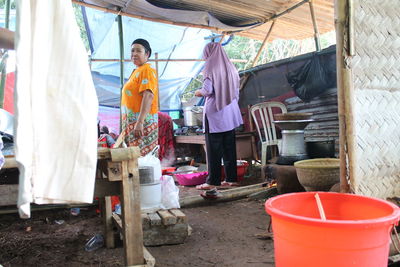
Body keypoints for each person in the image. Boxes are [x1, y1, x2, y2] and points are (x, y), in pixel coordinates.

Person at [194, 42, 243, 197]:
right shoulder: (232, 68)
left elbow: (208, 90)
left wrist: (198, 92)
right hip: (230, 113)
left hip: (215, 114)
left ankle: (212, 181)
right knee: (229, 148)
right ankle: (231, 179)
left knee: (213, 150)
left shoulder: (210, 68)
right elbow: (236, 92)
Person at [121, 39, 159, 156]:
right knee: (135, 159)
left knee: (143, 161)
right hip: (133, 122)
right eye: (132, 51)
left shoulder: (147, 70)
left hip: (141, 122)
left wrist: (140, 122)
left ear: (147, 54)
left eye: (138, 51)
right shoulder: (137, 71)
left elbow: (148, 96)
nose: (134, 54)